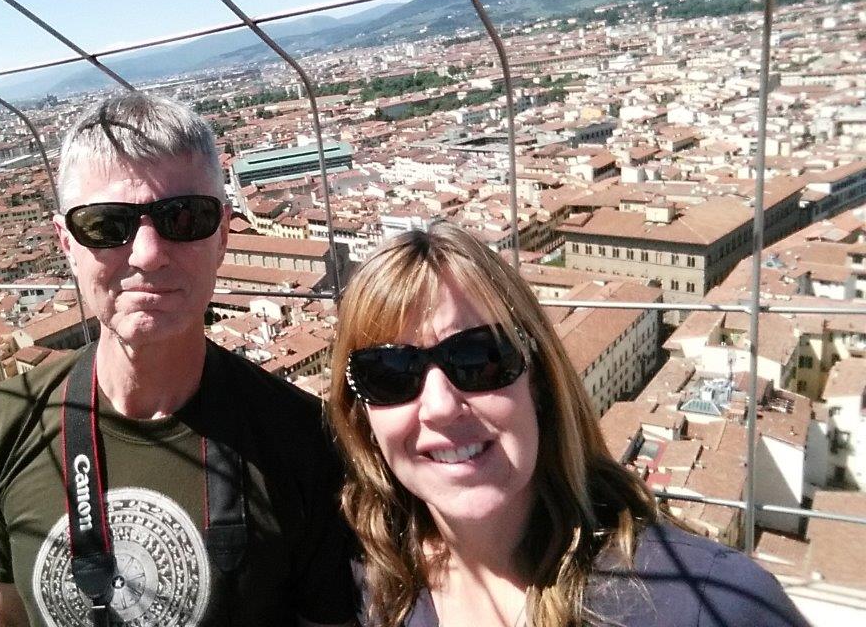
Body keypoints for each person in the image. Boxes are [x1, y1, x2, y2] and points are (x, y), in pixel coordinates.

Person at [0, 92, 357, 627]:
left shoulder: (303, 439)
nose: (148, 254)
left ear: (222, 235)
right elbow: (1, 615)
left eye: (184, 217)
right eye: (106, 225)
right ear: (66, 242)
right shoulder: (5, 423)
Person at [325, 226, 809, 627]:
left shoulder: (710, 603)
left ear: (540, 381)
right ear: (361, 415)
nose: (438, 407)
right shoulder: (371, 580)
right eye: (388, 375)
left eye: (479, 358)